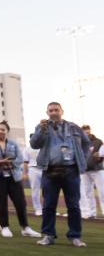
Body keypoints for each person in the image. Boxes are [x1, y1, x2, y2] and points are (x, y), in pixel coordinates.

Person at [29, 102, 91, 246]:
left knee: (74, 206)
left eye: (56, 109)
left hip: (71, 171)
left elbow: (86, 144)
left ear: (62, 111)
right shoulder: (42, 127)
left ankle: (75, 236)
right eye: (50, 110)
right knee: (49, 205)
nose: (53, 112)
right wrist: (41, 131)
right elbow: (34, 144)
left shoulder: (74, 127)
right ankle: (48, 235)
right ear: (47, 112)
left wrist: (82, 158)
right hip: (50, 171)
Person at [0, 121, 41, 238]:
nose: (0, 131)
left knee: (20, 202)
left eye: (3, 129)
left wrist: (10, 163)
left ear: (7, 131)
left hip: (13, 177)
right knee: (1, 203)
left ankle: (25, 227)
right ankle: (4, 226)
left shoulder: (13, 144)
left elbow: (20, 158)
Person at [80, 124, 103, 219]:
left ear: (90, 130)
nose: (86, 131)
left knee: (102, 192)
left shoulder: (98, 142)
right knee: (87, 192)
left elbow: (102, 154)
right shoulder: (80, 143)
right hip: (85, 171)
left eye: (87, 129)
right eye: (84, 130)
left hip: (97, 169)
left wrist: (99, 157)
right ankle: (92, 212)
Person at [23, 142, 42, 216]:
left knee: (48, 190)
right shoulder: (27, 148)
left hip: (44, 169)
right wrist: (24, 173)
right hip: (33, 168)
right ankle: (38, 209)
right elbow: (25, 162)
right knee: (35, 190)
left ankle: (48, 209)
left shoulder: (43, 145)